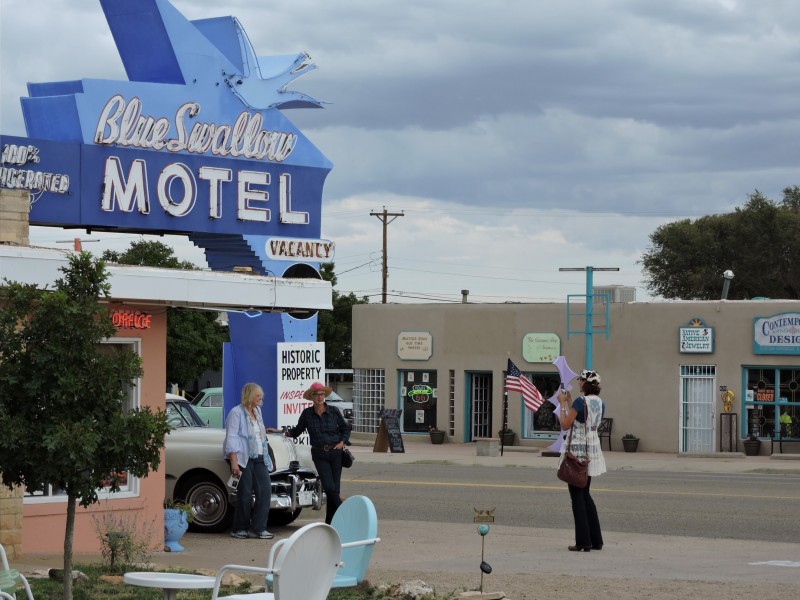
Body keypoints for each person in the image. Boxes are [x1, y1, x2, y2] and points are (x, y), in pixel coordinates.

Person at [287, 381, 351, 524]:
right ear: (312, 397)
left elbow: (345, 429)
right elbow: (297, 431)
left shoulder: (333, 411)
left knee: (335, 490)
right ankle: (345, 515)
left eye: (322, 394)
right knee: (329, 488)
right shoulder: (307, 414)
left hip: (336, 453)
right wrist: (282, 432)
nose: (320, 397)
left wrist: (341, 443)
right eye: (317, 395)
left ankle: (330, 522)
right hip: (319, 454)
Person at [557, 369, 607, 552]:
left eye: (580, 381)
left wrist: (562, 404)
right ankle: (596, 540)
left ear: (585, 383)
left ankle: (583, 542)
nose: (578, 383)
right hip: (591, 451)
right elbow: (582, 417)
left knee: (577, 497)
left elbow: (565, 424)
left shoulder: (581, 401)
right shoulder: (600, 403)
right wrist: (570, 401)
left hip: (577, 452)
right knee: (586, 495)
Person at [224, 382, 274, 539]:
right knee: (244, 494)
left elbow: (257, 434)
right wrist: (233, 462)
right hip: (243, 459)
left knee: (265, 492)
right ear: (250, 396)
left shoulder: (257, 411)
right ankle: (239, 528)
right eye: (258, 395)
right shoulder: (236, 412)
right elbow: (231, 438)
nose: (261, 398)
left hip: (259, 457)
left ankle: (258, 528)